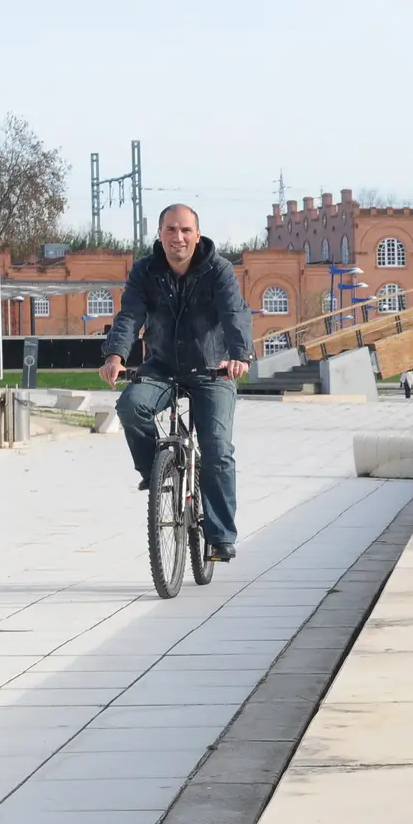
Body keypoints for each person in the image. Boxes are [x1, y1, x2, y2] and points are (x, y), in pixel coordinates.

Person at [99, 203, 252, 563]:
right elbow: (129, 315)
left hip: (213, 371)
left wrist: (238, 355)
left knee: (217, 449)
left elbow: (234, 314)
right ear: (160, 234)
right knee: (130, 406)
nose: (177, 237)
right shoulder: (145, 272)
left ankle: (220, 536)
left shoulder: (218, 270)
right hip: (162, 367)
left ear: (197, 236)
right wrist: (115, 357)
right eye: (170, 229)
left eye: (185, 230)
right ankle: (154, 471)